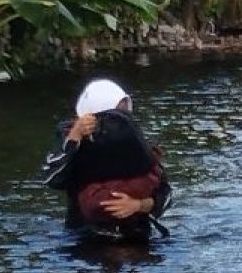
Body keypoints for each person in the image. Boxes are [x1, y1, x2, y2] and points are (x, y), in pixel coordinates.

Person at [42, 79, 172, 239]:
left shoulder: (138, 149)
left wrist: (138, 205)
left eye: (124, 115)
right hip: (86, 236)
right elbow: (52, 179)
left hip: (135, 235)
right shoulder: (75, 149)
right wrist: (74, 136)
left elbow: (166, 194)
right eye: (114, 116)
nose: (119, 123)